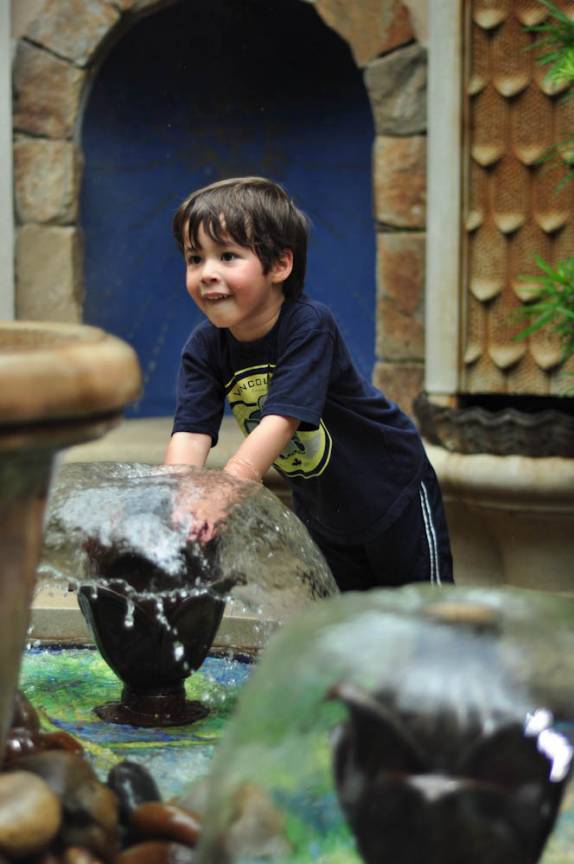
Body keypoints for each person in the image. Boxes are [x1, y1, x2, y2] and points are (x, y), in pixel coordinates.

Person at [165, 176, 453, 591]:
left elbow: (280, 421)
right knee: (342, 622)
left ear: (280, 265)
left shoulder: (308, 325)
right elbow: (190, 433)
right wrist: (172, 503)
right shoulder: (205, 347)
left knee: (428, 614)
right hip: (324, 508)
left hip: (391, 489)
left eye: (227, 256)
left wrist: (223, 493)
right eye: (195, 258)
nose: (206, 273)